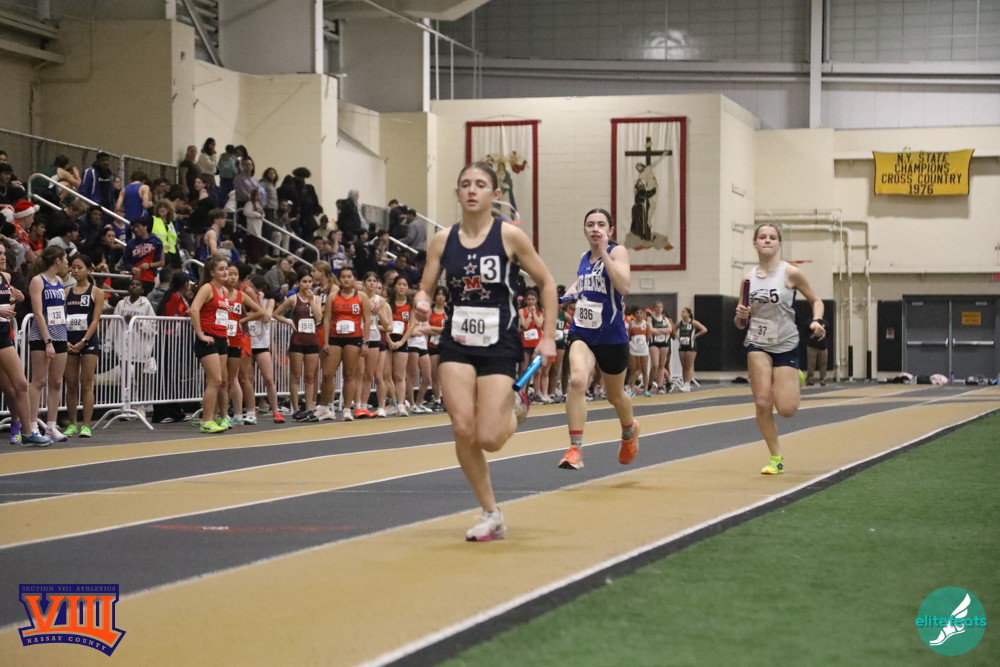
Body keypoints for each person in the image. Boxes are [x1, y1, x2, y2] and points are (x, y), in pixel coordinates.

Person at [413, 161, 557, 542]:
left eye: (480, 184)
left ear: (495, 194)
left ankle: (517, 406)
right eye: (465, 184)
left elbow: (546, 283)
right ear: (457, 193)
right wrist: (422, 301)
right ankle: (491, 513)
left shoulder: (510, 236)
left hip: (499, 344)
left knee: (489, 438)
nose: (471, 190)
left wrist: (547, 336)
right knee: (463, 428)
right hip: (457, 343)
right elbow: (425, 287)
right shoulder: (442, 241)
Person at [734, 223, 826, 475]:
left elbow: (816, 300)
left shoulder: (791, 273)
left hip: (785, 343)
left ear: (779, 244)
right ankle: (776, 457)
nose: (767, 240)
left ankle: (794, 376)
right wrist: (740, 315)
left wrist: (817, 321)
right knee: (763, 401)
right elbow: (740, 323)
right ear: (754, 243)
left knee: (786, 409)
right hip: (757, 342)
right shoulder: (747, 279)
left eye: (772, 237)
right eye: (762, 237)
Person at [557, 208, 639, 472]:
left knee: (615, 396)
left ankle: (629, 431)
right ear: (584, 230)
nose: (595, 229)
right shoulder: (583, 257)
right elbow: (582, 282)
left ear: (610, 230)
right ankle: (575, 449)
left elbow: (624, 286)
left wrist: (604, 252)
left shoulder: (617, 252)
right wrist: (568, 295)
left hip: (611, 336)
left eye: (601, 224)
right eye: (590, 224)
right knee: (577, 380)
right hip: (583, 332)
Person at [0, 246, 48, 445]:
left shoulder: (5, 277)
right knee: (10, 387)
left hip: (3, 334)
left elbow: (5, 304)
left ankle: (27, 431)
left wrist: (15, 299)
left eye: (4, 253)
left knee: (19, 384)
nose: (3, 257)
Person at [27, 246, 71, 442]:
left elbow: (60, 310)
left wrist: (62, 336)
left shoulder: (59, 281)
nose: (68, 263)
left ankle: (51, 427)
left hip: (60, 334)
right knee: (39, 380)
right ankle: (32, 426)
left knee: (56, 381)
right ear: (57, 260)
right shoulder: (38, 281)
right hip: (42, 336)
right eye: (66, 259)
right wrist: (47, 341)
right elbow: (38, 313)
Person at [188, 254, 232, 434]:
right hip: (208, 338)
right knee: (216, 380)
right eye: (221, 269)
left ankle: (217, 417)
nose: (226, 272)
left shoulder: (224, 291)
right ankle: (206, 421)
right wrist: (200, 334)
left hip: (221, 338)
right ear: (212, 272)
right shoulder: (207, 288)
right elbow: (194, 309)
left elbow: (222, 315)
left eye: (226, 269)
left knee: (221, 381)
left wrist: (226, 334)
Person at [272, 268, 323, 421]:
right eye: (304, 282)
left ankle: (309, 408)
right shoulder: (293, 299)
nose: (307, 285)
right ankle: (295, 408)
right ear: (299, 283)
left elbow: (319, 318)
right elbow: (275, 313)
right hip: (297, 341)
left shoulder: (317, 299)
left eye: (310, 282)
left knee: (310, 376)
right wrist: (288, 321)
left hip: (312, 341)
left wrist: (312, 300)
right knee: (295, 375)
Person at [63, 254, 104, 438]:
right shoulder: (66, 292)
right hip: (70, 341)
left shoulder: (97, 292)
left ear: (89, 270)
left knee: (87, 383)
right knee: (71, 384)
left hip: (88, 342)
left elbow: (95, 320)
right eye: (73, 267)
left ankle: (86, 425)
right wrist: (66, 340)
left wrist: (84, 341)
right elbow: (62, 317)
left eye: (80, 267)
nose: (75, 271)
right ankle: (72, 423)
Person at [322, 267, 371, 421]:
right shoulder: (332, 297)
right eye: (343, 277)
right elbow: (326, 319)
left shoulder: (361, 297)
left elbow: (367, 320)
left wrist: (365, 342)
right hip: (335, 337)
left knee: (349, 375)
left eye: (349, 276)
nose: (346, 279)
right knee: (328, 373)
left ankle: (347, 409)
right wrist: (325, 341)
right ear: (339, 279)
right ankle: (326, 407)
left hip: (354, 338)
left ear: (354, 278)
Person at [247, 275, 283, 423]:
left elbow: (266, 317)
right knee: (249, 379)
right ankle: (251, 410)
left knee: (268, 378)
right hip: (247, 343)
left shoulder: (269, 300)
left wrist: (259, 301)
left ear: (258, 289)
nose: (247, 289)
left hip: (261, 344)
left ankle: (276, 411)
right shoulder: (244, 300)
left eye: (250, 287)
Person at [122, 217, 165, 294]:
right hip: (134, 279)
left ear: (145, 226)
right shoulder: (130, 244)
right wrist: (132, 268)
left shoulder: (157, 242)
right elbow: (126, 262)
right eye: (133, 227)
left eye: (138, 226)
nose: (135, 229)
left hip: (150, 278)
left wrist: (149, 265)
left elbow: (162, 262)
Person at [676, 306, 707, 392]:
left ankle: (687, 384)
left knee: (689, 366)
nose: (682, 313)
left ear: (688, 313)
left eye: (684, 312)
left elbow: (704, 329)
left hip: (691, 345)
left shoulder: (693, 322)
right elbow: (674, 330)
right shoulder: (680, 323)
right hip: (682, 345)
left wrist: (695, 336)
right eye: (681, 312)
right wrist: (678, 337)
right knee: (684, 366)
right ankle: (684, 383)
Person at [648, 301, 673, 393]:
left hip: (664, 343)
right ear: (654, 308)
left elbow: (670, 329)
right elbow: (651, 330)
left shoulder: (665, 319)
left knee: (661, 365)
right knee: (655, 365)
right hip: (654, 343)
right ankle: (649, 383)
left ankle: (660, 386)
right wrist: (663, 330)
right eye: (657, 307)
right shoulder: (650, 319)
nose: (659, 309)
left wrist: (657, 330)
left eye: (660, 307)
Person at [626, 305, 651, 396]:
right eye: (637, 313)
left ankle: (646, 389)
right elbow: (628, 336)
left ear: (644, 314)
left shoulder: (646, 324)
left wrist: (644, 344)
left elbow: (648, 337)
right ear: (634, 314)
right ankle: (632, 388)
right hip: (633, 348)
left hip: (643, 349)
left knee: (644, 370)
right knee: (633, 370)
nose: (639, 315)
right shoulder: (631, 323)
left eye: (641, 313)